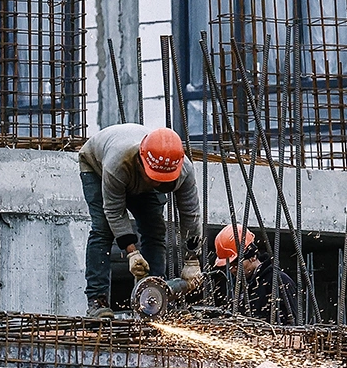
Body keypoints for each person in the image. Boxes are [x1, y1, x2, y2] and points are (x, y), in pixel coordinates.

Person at [78, 124, 203, 318]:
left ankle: (153, 296)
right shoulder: (117, 163)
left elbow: (190, 214)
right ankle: (98, 301)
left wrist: (192, 259)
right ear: (140, 161)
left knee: (155, 230)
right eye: (154, 177)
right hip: (96, 166)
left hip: (133, 175)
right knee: (103, 229)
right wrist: (132, 253)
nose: (157, 183)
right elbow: (114, 211)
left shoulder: (184, 169)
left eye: (164, 180)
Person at [215, 225, 298, 325]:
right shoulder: (235, 285)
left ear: (253, 256)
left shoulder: (279, 281)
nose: (232, 269)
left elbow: (291, 329)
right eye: (229, 265)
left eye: (236, 264)